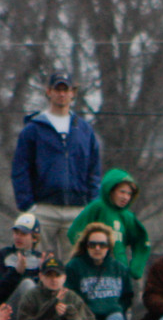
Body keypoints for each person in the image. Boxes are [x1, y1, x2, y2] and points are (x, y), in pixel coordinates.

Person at [11, 70, 101, 260]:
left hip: (77, 210)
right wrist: (27, 204)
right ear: (48, 92)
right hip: (43, 208)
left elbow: (94, 170)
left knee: (76, 266)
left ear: (73, 93)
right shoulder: (33, 129)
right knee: (36, 264)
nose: (62, 94)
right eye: (57, 89)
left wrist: (93, 204)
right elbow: (20, 169)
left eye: (66, 89)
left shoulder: (84, 130)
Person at [65, 222, 154, 320]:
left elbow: (127, 296)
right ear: (85, 245)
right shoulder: (74, 266)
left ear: (109, 247)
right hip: (87, 316)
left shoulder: (119, 268)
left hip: (113, 313)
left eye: (102, 244)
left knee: (116, 319)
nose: (97, 248)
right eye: (92, 244)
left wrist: (120, 309)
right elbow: (70, 295)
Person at [67, 167, 151, 281]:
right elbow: (74, 232)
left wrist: (136, 268)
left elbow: (142, 241)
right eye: (122, 192)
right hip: (92, 270)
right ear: (110, 190)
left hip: (118, 270)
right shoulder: (97, 207)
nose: (126, 197)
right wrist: (86, 256)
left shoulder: (127, 216)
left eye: (129, 194)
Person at [0, 212, 44, 320]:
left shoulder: (40, 258)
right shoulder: (4, 255)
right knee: (27, 284)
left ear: (34, 238)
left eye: (23, 234)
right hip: (6, 313)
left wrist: (44, 274)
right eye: (16, 233)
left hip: (31, 315)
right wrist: (16, 272)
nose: (18, 237)